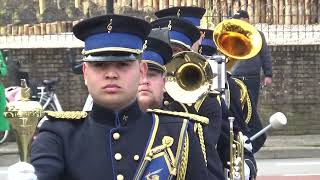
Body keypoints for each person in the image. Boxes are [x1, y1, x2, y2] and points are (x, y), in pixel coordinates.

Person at [8, 14, 209, 180]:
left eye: (122, 64)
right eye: (100, 65)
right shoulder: (59, 133)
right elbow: (44, 172)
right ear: (85, 73)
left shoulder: (179, 132)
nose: (111, 74)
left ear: (141, 71)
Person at [150, 10, 225, 179]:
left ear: (186, 56)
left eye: (175, 52)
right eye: (165, 52)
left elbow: (205, 155)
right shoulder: (137, 96)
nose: (169, 59)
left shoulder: (205, 102)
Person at [231, 10, 273, 108]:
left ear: (247, 20)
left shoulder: (258, 35)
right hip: (235, 76)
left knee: (252, 107)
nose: (237, 23)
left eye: (239, 20)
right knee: (236, 108)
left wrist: (268, 74)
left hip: (252, 77)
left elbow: (265, 55)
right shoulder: (232, 35)